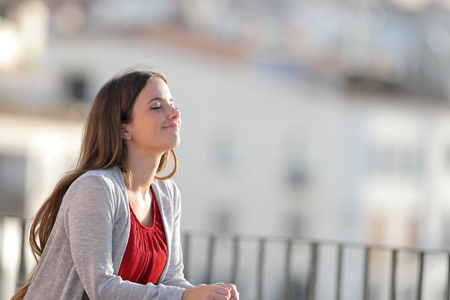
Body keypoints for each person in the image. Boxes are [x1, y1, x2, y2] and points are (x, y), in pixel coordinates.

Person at [12, 67, 239, 300]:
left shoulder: (167, 194)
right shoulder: (96, 188)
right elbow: (101, 289)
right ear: (124, 129)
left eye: (173, 104)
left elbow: (170, 278)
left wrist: (207, 293)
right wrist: (185, 297)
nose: (174, 113)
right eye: (157, 106)